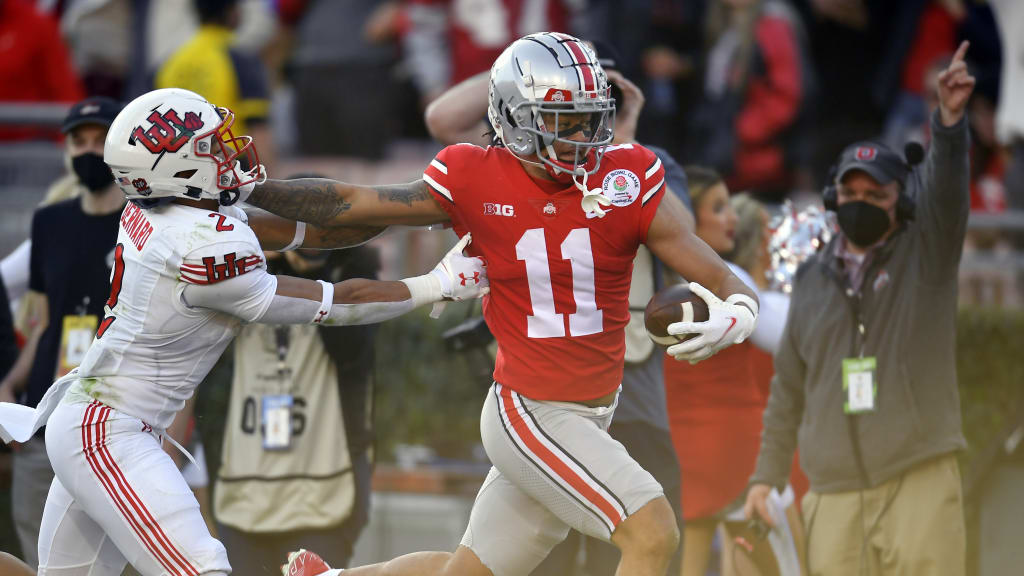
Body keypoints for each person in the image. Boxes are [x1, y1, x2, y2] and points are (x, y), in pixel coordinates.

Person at [254, 32, 760, 576]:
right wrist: (249, 191)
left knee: (468, 571)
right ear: (513, 117)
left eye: (588, 120)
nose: (579, 138)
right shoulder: (472, 175)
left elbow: (718, 273)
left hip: (592, 411)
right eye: (561, 122)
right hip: (532, 410)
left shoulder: (626, 176)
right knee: (653, 531)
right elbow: (352, 204)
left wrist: (738, 313)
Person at [0, 87, 488, 576]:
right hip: (109, 432)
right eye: (208, 145)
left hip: (96, 419)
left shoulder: (167, 210)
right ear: (177, 168)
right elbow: (339, 302)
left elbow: (316, 231)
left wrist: (423, 209)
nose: (226, 150)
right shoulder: (202, 250)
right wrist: (434, 285)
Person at [422, 42, 689, 575]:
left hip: (624, 383)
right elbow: (442, 118)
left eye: (591, 109)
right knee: (634, 536)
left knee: (474, 567)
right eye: (561, 109)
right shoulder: (508, 165)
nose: (578, 130)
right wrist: (517, 71)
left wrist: (622, 135)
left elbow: (674, 228)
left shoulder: (638, 163)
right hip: (543, 391)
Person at [743, 42, 975, 576]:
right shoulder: (810, 279)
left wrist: (949, 121)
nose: (861, 202)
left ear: (904, 202)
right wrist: (766, 476)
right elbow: (788, 390)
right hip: (833, 494)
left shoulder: (928, 255)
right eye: (851, 192)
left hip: (917, 478)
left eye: (877, 194)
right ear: (832, 198)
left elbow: (946, 193)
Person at [0, 96, 126, 570]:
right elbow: (45, 319)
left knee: (106, 554)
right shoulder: (49, 222)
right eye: (80, 140)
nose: (89, 150)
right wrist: (12, 383)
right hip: (46, 416)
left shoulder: (145, 224)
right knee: (39, 552)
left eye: (101, 139)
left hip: (112, 421)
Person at [664, 170, 802, 576]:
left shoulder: (662, 276)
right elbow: (784, 335)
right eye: (719, 208)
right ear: (689, 219)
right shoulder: (724, 278)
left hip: (685, 440)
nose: (732, 220)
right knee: (778, 556)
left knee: (690, 557)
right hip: (737, 439)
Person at [214, 243, 381, 573]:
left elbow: (354, 355)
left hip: (324, 500)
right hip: (241, 497)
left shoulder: (349, 268)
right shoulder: (244, 265)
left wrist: (313, 273)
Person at [156, 0, 272, 165]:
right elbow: (258, 127)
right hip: (231, 165)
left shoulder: (170, 62)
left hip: (180, 165)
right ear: (231, 12)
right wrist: (268, 181)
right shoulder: (240, 58)